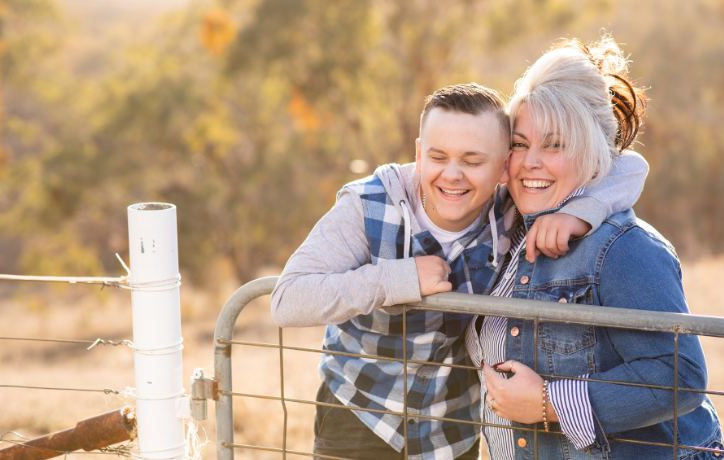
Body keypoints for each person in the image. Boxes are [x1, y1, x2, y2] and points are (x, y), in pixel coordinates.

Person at [271, 83, 649, 460]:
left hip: (452, 429)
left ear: (504, 167)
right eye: (438, 157)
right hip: (360, 413)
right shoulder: (368, 204)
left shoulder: (511, 209)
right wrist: (396, 280)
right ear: (419, 154)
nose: (452, 175)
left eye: (472, 161)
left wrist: (579, 213)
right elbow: (288, 300)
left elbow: (631, 166)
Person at [465, 36, 724, 459]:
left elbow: (681, 378)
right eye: (519, 143)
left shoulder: (623, 249)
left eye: (555, 144)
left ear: (591, 152)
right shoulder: (503, 231)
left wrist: (549, 403)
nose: (531, 161)